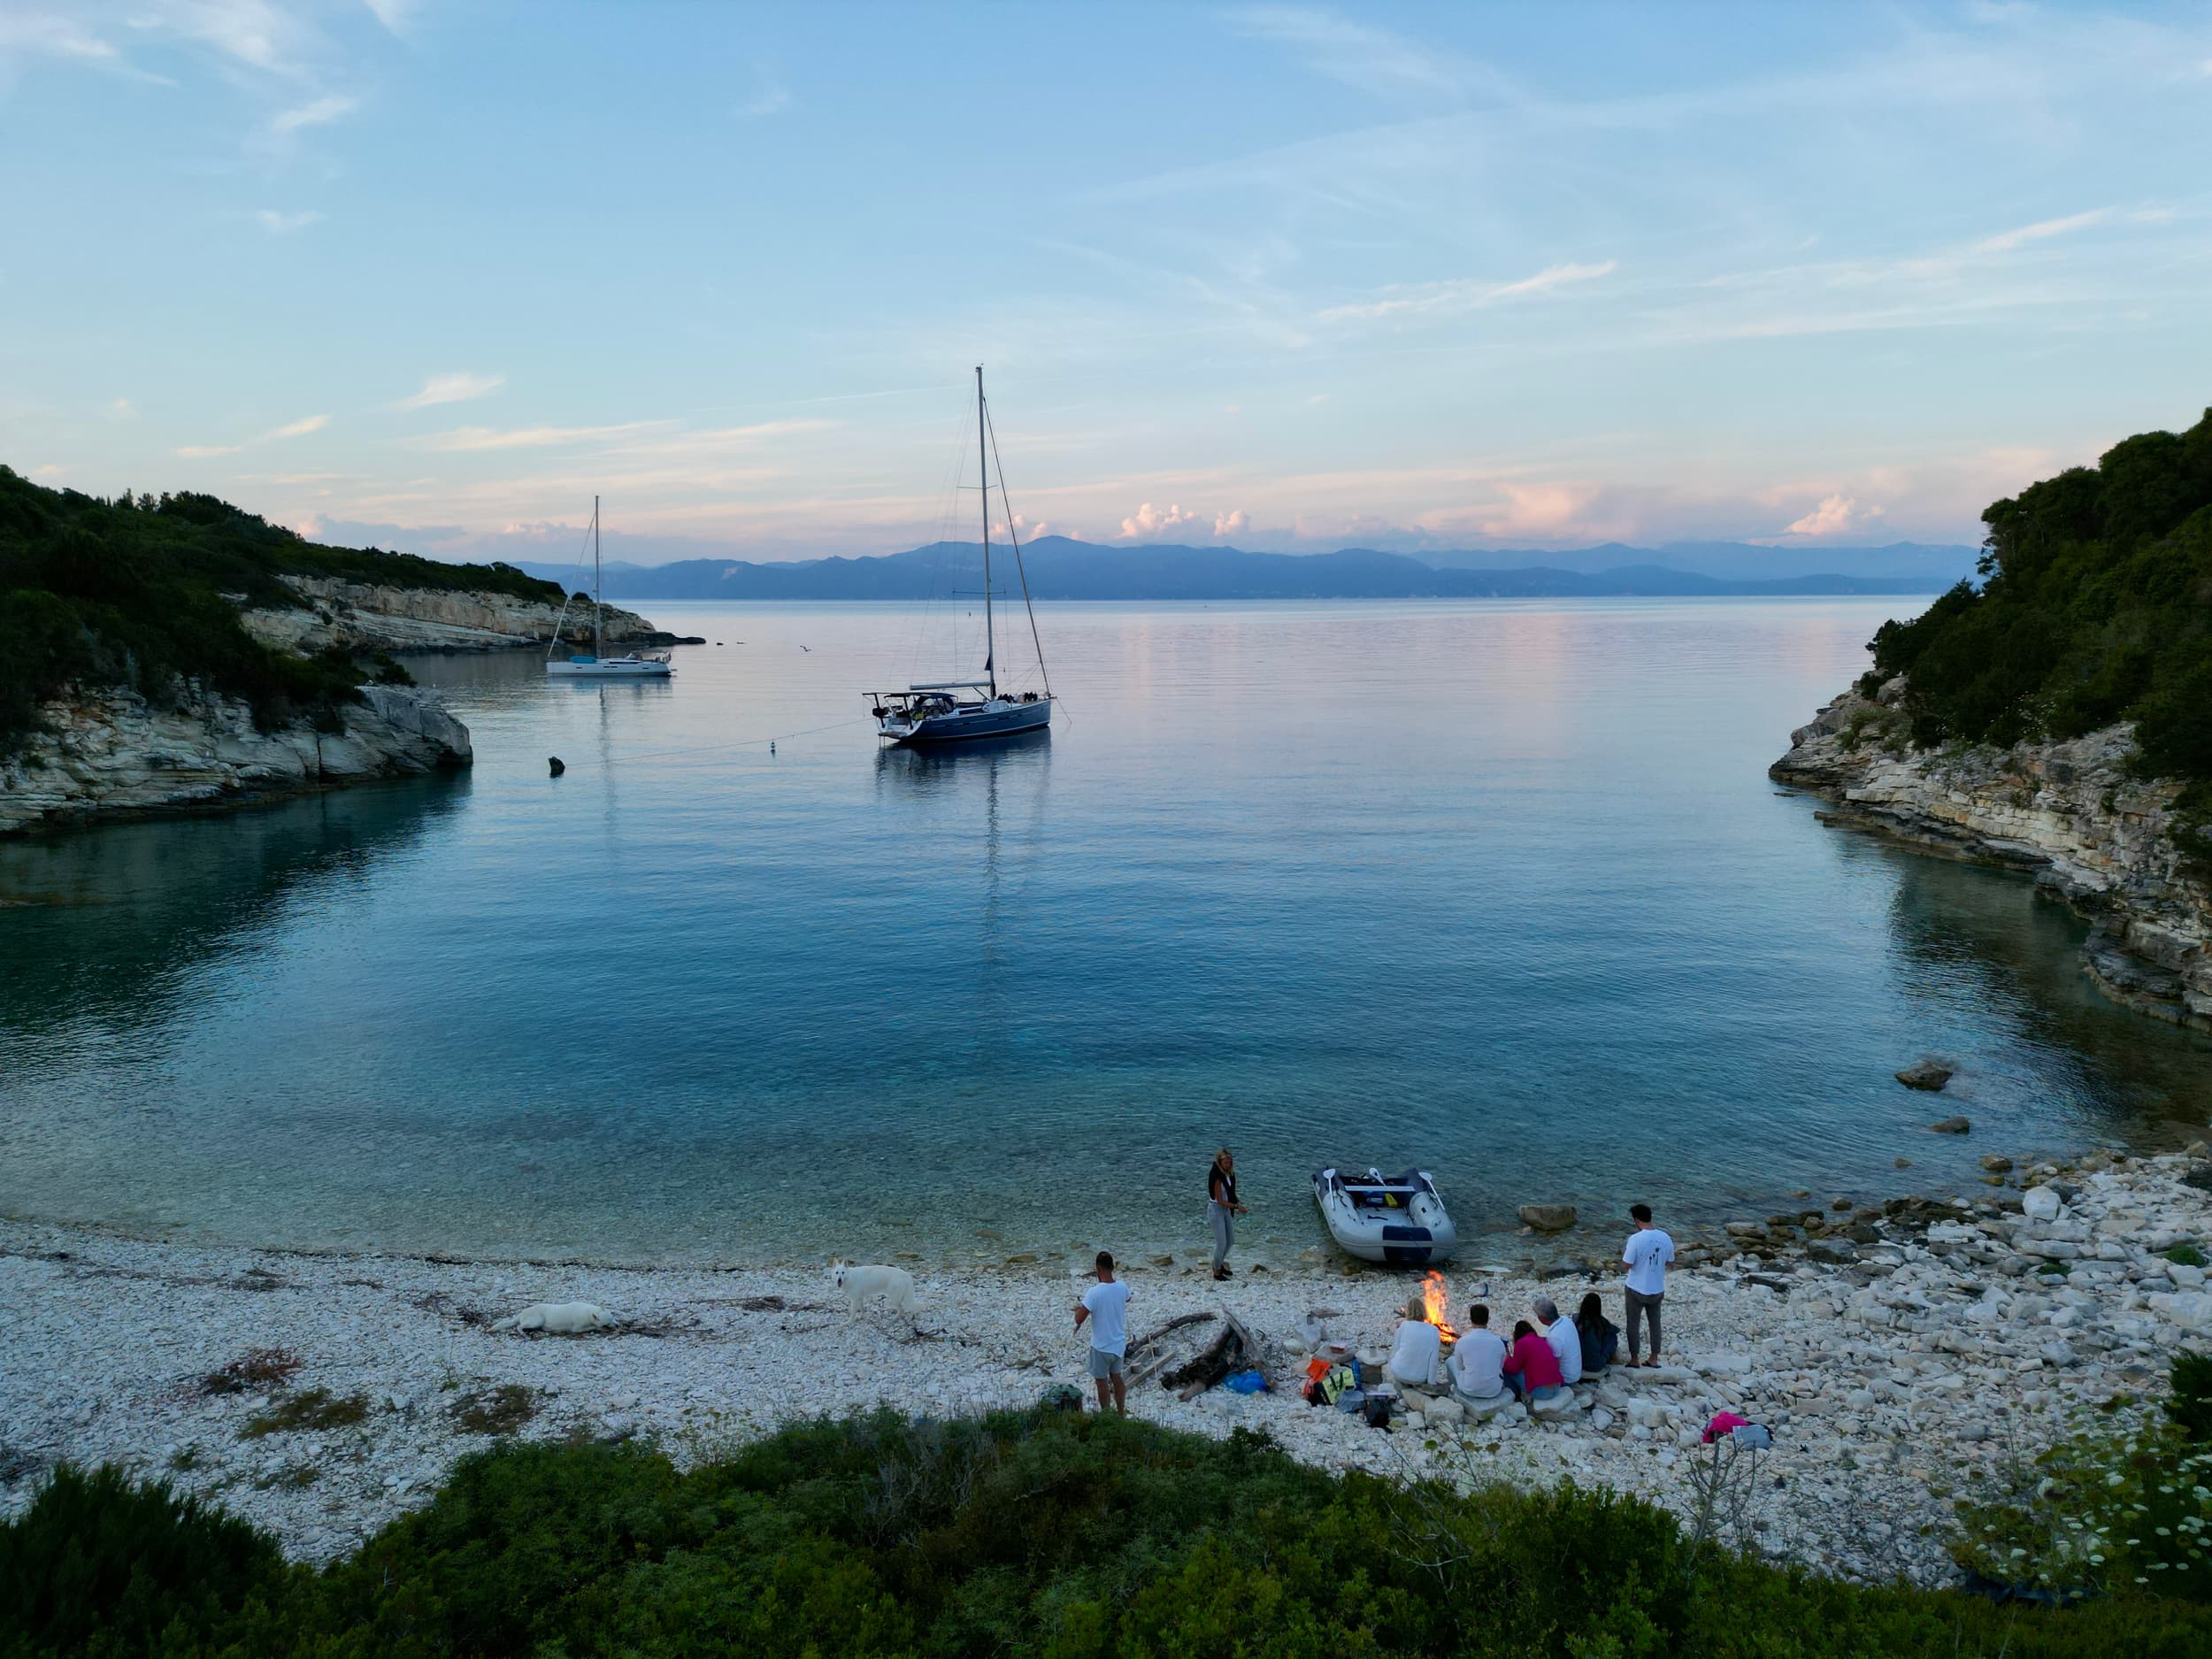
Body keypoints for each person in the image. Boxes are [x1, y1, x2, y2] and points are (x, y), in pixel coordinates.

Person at [1073, 1250, 1133, 1414]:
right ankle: (1120, 1412)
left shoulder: (1094, 1292)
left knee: (1101, 1381)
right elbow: (1128, 1298)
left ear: (1098, 1269)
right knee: (1117, 1378)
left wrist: (1078, 1309)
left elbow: (1079, 1319)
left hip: (1101, 1346)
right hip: (1118, 1344)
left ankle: (1106, 1414)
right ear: (1112, 1267)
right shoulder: (1122, 1287)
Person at [1622, 1202, 1676, 1368]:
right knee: (1655, 1323)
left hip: (1636, 1288)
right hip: (1657, 1288)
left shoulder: (1635, 1239)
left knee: (1633, 1323)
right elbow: (1670, 1262)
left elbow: (1627, 1265)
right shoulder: (1666, 1238)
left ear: (1637, 1220)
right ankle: (1654, 1358)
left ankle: (1634, 1359)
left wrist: (1624, 1254)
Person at [1446, 1303, 1507, 1402]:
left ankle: (1454, 1393)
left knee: (1450, 1361)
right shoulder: (1498, 1342)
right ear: (1488, 1319)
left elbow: (1460, 1367)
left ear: (1470, 1319)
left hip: (1469, 1389)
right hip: (1494, 1390)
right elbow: (1500, 1367)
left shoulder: (1462, 1341)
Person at [1207, 1148, 1248, 1281]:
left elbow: (1231, 1193)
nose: (1228, 1165)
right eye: (1225, 1163)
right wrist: (1236, 1207)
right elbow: (1220, 1200)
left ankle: (1218, 1263)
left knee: (1230, 1241)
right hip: (1216, 1209)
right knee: (1221, 1243)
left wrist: (1238, 1203)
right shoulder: (1217, 1177)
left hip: (1225, 1210)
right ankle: (1216, 1270)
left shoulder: (1230, 1174)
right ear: (1220, 1163)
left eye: (1230, 1162)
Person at [1386, 1295, 1444, 1389]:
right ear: (1424, 1311)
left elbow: (1395, 1349)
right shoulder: (1434, 1330)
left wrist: (1391, 1363)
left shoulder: (1404, 1325)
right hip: (1419, 1378)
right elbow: (1433, 1361)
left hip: (1399, 1372)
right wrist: (1431, 1382)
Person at [1500, 1317, 1563, 1402]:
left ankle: (1515, 1396)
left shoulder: (1522, 1343)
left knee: (1506, 1368)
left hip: (1543, 1392)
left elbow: (1513, 1368)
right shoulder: (1541, 1340)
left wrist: (1506, 1356)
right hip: (1557, 1387)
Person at [1535, 1295, 1582, 1386]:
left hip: (1567, 1379)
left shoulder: (1554, 1337)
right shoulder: (1566, 1320)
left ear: (1542, 1318)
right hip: (1575, 1372)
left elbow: (1555, 1366)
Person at [1575, 1290, 1619, 1373]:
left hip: (1577, 1362)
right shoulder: (1600, 1322)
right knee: (1612, 1336)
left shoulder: (1576, 1320)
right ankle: (1614, 1359)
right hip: (1595, 1365)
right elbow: (1616, 1330)